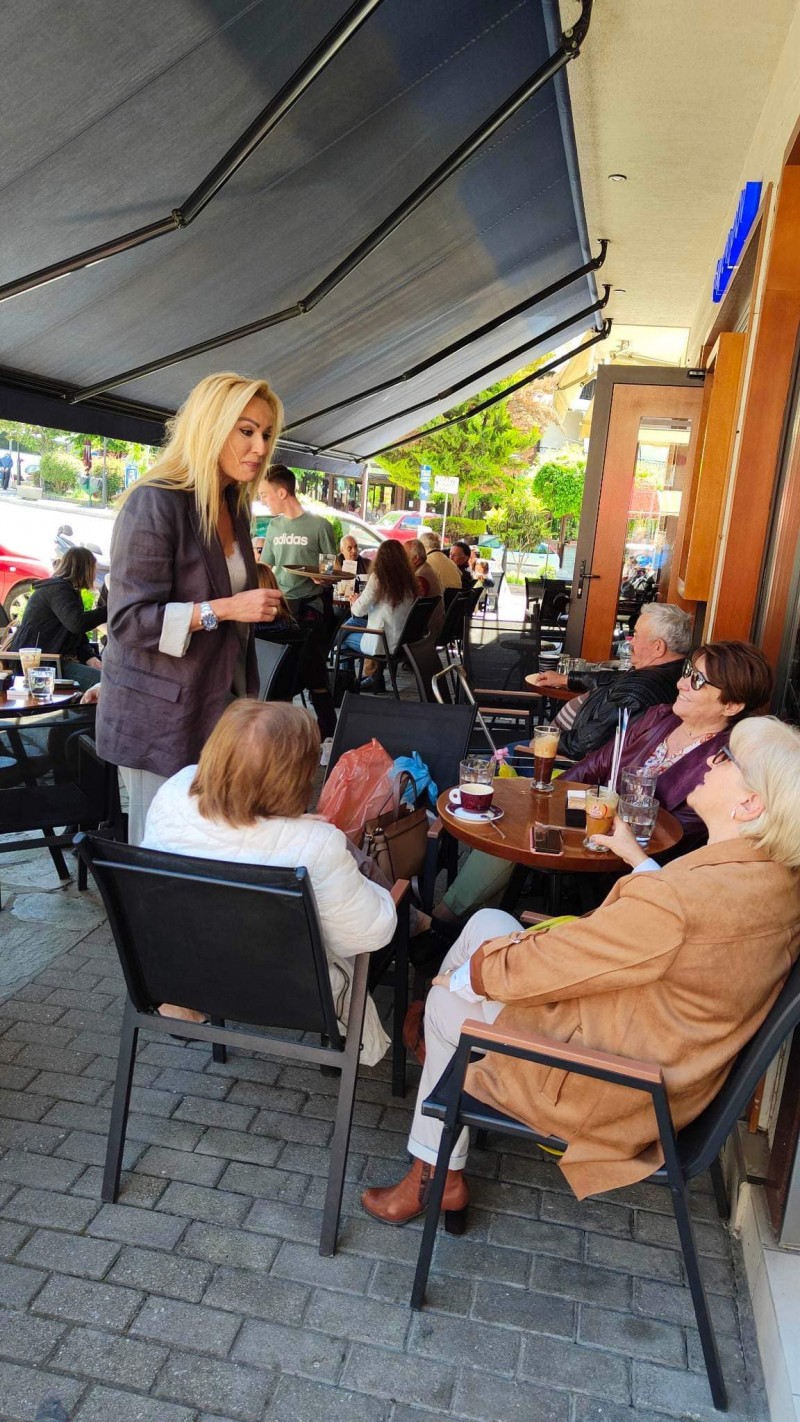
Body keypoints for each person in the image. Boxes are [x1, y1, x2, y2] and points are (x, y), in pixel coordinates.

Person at [362, 715, 800, 1225]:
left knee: (445, 1002)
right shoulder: (771, 882)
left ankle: (435, 1172)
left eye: (725, 758)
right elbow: (680, 931)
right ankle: (446, 1065)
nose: (710, 760)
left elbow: (624, 937)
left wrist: (469, 978)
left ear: (750, 804)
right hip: (660, 1059)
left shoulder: (684, 902)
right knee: (487, 923)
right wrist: (640, 862)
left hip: (614, 1083)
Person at [431, 639, 774, 924]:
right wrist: (551, 799)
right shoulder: (659, 718)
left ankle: (444, 920)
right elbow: (597, 763)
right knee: (518, 813)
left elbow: (679, 832)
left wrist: (587, 815)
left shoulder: (724, 764)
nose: (682, 683)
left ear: (732, 705)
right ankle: (454, 915)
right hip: (593, 816)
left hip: (630, 854)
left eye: (697, 681)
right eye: (687, 672)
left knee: (519, 832)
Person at [142, 700, 397, 1059]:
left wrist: (290, 827)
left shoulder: (172, 794)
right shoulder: (315, 846)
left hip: (185, 973)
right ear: (294, 776)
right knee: (378, 901)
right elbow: (370, 934)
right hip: (290, 992)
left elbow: (237, 829)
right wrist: (383, 891)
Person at [96, 372, 285, 844]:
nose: (260, 447)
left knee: (209, 844)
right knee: (163, 849)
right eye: (246, 431)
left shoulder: (233, 505)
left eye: (266, 434)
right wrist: (225, 608)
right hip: (158, 718)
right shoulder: (155, 502)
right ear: (210, 426)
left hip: (219, 706)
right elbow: (128, 622)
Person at [527, 603, 693, 761]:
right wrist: (567, 679)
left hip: (560, 759)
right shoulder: (675, 672)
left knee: (513, 752)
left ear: (658, 647)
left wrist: (547, 739)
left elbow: (584, 745)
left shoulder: (638, 690)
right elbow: (614, 679)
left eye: (636, 635)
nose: (631, 642)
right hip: (565, 746)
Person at [260, 464, 338, 737]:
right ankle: (282, 733)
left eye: (265, 495)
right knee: (280, 672)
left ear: (282, 492)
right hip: (280, 608)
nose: (263, 500)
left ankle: (329, 733)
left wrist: (323, 578)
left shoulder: (320, 526)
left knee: (315, 672)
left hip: (310, 606)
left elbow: (330, 570)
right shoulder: (274, 526)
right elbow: (265, 567)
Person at [10, 547, 105, 689]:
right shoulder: (59, 590)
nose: (95, 574)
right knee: (105, 683)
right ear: (85, 569)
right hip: (43, 665)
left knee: (109, 676)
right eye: (94, 569)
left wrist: (90, 657)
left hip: (54, 660)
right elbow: (77, 624)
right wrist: (109, 610)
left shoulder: (62, 588)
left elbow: (75, 633)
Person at [340, 538, 419, 692]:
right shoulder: (409, 580)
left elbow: (358, 611)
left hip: (382, 642)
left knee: (341, 639)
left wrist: (355, 601)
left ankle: (346, 685)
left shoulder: (379, 578)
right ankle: (374, 679)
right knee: (351, 625)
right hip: (400, 641)